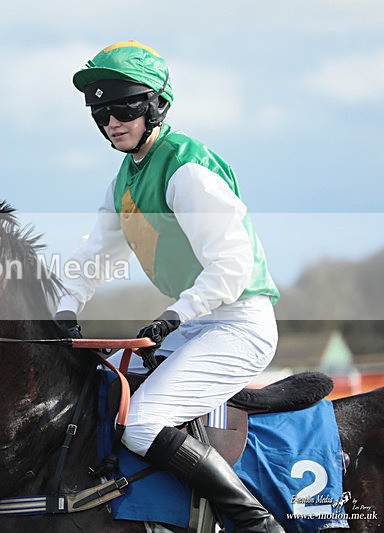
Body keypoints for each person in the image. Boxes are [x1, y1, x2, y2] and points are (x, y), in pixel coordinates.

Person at [55, 41, 283, 532]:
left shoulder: (186, 168)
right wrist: (64, 306)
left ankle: (254, 521)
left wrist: (177, 313)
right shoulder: (125, 180)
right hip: (197, 324)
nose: (111, 121)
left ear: (155, 104)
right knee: (104, 391)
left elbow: (232, 265)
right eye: (101, 112)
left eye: (123, 108)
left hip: (239, 325)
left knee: (140, 423)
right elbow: (92, 256)